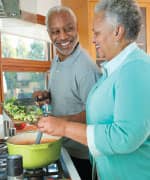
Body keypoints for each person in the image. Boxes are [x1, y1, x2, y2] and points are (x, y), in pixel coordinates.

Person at [37, 0, 150, 179]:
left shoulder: (137, 68)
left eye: (97, 33)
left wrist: (64, 127)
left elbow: (125, 137)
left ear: (117, 32)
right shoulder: (113, 69)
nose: (93, 39)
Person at [33, 5, 101, 180]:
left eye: (68, 29)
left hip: (81, 155)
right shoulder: (58, 58)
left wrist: (60, 122)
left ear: (76, 28)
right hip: (63, 147)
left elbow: (96, 115)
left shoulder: (86, 68)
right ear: (49, 34)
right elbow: (67, 93)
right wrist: (47, 95)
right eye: (56, 31)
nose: (63, 36)